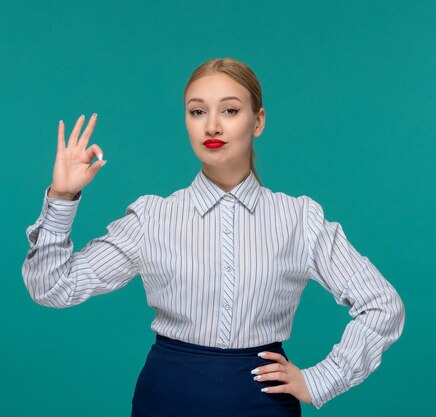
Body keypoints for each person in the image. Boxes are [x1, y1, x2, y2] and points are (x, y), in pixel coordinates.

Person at [21, 57, 406, 416]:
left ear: (258, 121)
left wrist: (322, 379)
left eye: (230, 110)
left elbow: (382, 305)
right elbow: (53, 288)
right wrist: (62, 197)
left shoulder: (298, 218)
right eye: (197, 111)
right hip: (166, 396)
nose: (212, 126)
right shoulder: (153, 217)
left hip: (263, 402)